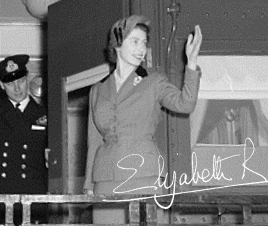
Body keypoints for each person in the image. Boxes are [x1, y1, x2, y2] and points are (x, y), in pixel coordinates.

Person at [83, 15, 203, 225]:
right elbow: (94, 141)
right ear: (117, 44)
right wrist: (89, 184)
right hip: (105, 179)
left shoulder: (154, 82)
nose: (141, 49)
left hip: (144, 176)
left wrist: (191, 64)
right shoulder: (98, 89)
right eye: (135, 41)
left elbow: (185, 104)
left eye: (144, 43)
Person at [0, 54, 48, 225]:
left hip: (33, 199)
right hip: (3, 199)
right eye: (10, 83)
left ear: (27, 79)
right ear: (1, 85)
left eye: (20, 81)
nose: (17, 88)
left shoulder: (44, 115)